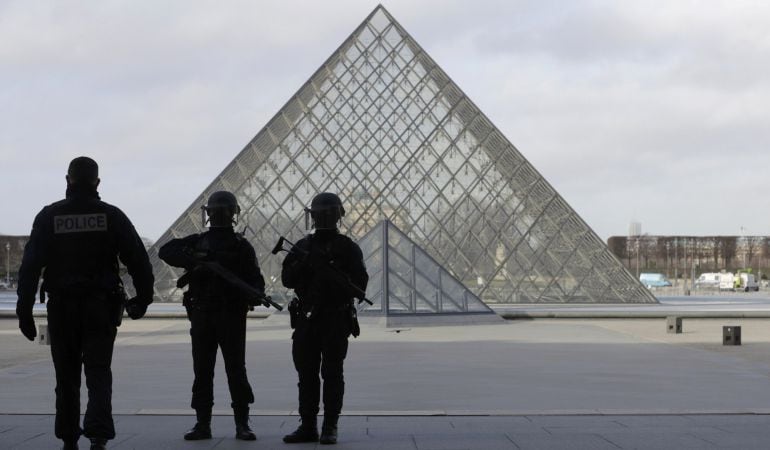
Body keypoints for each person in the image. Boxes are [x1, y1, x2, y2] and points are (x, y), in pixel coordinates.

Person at [16, 157, 154, 450]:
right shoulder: (112, 216)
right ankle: (99, 436)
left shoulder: (49, 216)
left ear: (68, 180)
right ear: (97, 183)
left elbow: (29, 268)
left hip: (62, 307)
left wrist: (24, 310)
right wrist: (143, 298)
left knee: (65, 376)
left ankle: (68, 438)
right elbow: (139, 261)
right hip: (100, 307)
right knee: (99, 372)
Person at [158, 190, 264, 441]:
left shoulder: (226, 244)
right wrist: (197, 260)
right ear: (234, 213)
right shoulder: (208, 244)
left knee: (214, 370)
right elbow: (166, 251)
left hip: (219, 313)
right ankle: (231, 424)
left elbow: (255, 281)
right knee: (224, 370)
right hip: (212, 314)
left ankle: (211, 423)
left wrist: (254, 293)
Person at [280, 192, 368, 445]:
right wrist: (306, 266)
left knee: (332, 373)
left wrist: (335, 276)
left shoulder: (348, 248)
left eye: (327, 213)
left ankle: (330, 425)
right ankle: (308, 424)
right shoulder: (302, 248)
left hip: (334, 317)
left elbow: (360, 287)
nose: (324, 218)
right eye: (321, 213)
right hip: (307, 318)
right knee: (306, 374)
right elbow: (287, 279)